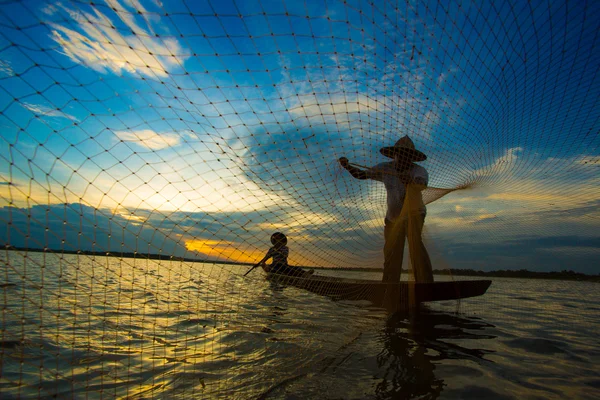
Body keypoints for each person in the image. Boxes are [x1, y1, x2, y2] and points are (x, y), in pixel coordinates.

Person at [338, 135, 434, 285]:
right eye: (400, 154)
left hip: (414, 214)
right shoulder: (385, 168)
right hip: (392, 218)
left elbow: (421, 184)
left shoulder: (418, 170)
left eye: (407, 155)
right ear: (395, 155)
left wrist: (410, 181)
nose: (403, 158)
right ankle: (389, 284)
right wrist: (347, 166)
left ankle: (426, 283)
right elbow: (362, 175)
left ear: (412, 158)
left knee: (415, 246)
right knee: (391, 251)